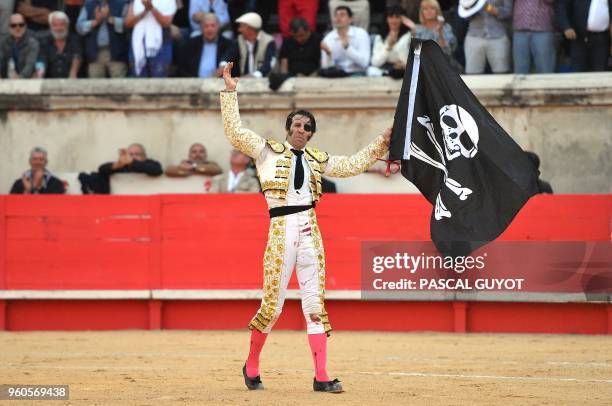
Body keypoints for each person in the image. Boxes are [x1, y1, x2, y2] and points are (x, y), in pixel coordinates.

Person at [220, 62, 391, 393]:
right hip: (281, 229)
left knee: (315, 305)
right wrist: (230, 91)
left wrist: (381, 143)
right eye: (297, 124)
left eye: (307, 126)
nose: (301, 129)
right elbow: (235, 132)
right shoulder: (266, 150)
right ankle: (251, 366)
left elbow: (352, 164)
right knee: (273, 304)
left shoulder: (317, 158)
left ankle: (322, 375)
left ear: (311, 133)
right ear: (288, 128)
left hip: (310, 231)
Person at [76, 0, 129, 78]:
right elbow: (79, 27)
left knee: (120, 85)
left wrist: (109, 18)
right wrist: (96, 22)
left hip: (117, 53)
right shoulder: (89, 4)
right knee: (96, 87)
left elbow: (128, 26)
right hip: (94, 54)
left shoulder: (122, 3)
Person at [459, 0, 513, 74]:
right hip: (474, 37)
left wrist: (489, 8)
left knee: (501, 74)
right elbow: (465, 16)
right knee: (473, 75)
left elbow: (508, 13)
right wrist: (470, 7)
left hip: (498, 37)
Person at [125, 0, 176, 77]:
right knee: (138, 83)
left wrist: (151, 8)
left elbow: (166, 22)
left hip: (161, 45)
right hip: (138, 44)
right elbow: (127, 23)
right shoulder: (135, 1)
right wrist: (144, 12)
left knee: (159, 82)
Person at [556, 0, 611, 72]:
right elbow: (561, 8)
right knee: (577, 71)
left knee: (600, 71)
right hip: (578, 37)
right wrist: (566, 27)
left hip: (601, 39)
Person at [183, 12, 238, 77]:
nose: (210, 29)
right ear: (201, 28)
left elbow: (233, 69)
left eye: (213, 26)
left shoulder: (228, 44)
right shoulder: (191, 44)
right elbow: (184, 69)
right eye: (206, 26)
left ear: (218, 27)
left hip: (219, 83)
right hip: (195, 83)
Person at [320, 6, 370, 76]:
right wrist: (328, 54)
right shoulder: (328, 39)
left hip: (357, 73)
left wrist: (347, 48)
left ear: (350, 19)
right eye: (336, 15)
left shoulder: (361, 34)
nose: (338, 18)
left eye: (342, 15)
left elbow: (365, 63)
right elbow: (325, 68)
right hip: (337, 75)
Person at [511, 0, 556, 74]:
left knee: (545, 69)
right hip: (520, 29)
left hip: (542, 29)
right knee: (520, 71)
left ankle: (546, 85)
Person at [369, 5, 412, 77]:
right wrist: (388, 46)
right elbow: (375, 62)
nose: (394, 20)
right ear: (386, 19)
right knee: (371, 70)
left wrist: (396, 45)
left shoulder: (408, 36)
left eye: (397, 17)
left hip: (402, 71)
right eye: (391, 17)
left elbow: (406, 62)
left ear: (402, 19)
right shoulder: (380, 37)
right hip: (384, 70)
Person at [38, 11, 82, 78]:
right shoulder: (45, 43)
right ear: (50, 27)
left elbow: (77, 56)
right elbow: (41, 61)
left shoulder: (74, 40)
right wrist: (40, 73)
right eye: (55, 25)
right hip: (50, 82)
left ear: (67, 25)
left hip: (72, 81)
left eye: (62, 24)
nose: (58, 28)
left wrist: (73, 72)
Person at [235, 11, 275, 78]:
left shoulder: (268, 41)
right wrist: (223, 65)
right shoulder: (239, 39)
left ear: (251, 29)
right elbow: (229, 56)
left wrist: (254, 76)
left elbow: (270, 63)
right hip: (243, 82)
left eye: (242, 27)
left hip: (264, 82)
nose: (239, 30)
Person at [0, 13, 39, 78]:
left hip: (27, 81)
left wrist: (20, 78)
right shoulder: (4, 42)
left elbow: (30, 65)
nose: (17, 28)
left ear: (25, 26)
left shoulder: (32, 43)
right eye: (13, 25)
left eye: (21, 25)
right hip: (7, 80)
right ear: (9, 27)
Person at [98, 143, 163, 177]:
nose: (133, 157)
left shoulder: (149, 163)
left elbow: (157, 170)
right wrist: (118, 164)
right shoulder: (122, 165)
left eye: (137, 154)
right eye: (131, 154)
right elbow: (102, 169)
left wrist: (132, 162)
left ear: (144, 156)